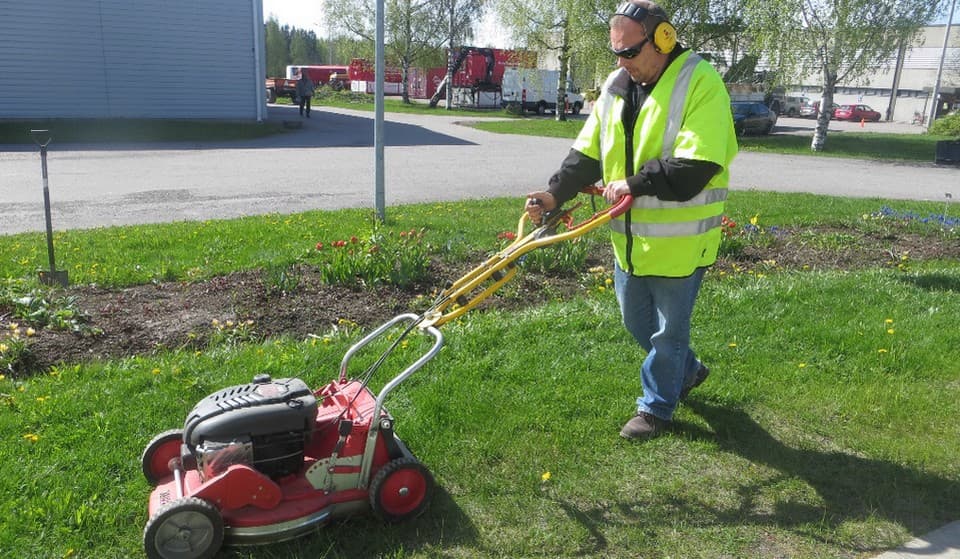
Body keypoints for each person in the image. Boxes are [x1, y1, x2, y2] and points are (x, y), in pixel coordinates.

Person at [525, 0, 738, 440]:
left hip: (681, 241)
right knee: (635, 322)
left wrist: (634, 184)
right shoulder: (618, 84)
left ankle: (657, 408)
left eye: (629, 52)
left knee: (666, 332)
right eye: (615, 53)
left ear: (662, 39)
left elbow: (698, 164)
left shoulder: (700, 80)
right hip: (630, 239)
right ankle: (689, 370)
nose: (622, 62)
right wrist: (553, 193)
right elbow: (587, 152)